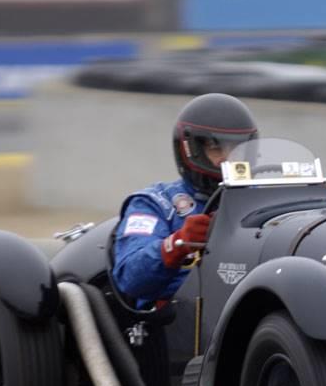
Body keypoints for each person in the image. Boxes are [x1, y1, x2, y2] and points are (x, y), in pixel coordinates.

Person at [111, 94, 258, 305]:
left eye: (237, 149)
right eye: (216, 148)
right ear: (190, 150)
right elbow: (131, 279)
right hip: (179, 316)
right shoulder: (154, 202)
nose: (228, 158)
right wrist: (177, 245)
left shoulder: (261, 197)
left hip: (250, 305)